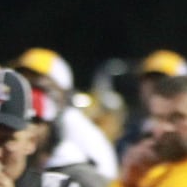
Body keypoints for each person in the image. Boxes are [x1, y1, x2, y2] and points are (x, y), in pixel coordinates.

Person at [12, 48, 118, 180]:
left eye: (37, 85)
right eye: (23, 82)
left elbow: (101, 183)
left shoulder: (77, 130)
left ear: (63, 90)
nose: (31, 93)